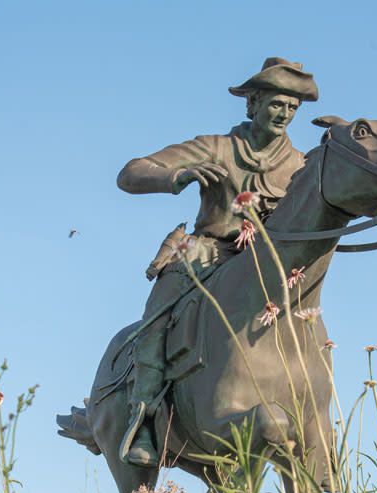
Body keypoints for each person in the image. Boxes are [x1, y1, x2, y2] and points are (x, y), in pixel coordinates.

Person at [115, 57, 319, 467]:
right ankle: (146, 420)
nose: (285, 114)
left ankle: (317, 435)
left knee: (311, 324)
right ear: (253, 104)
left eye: (293, 107)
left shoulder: (300, 165)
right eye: (277, 103)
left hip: (271, 267)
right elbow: (131, 172)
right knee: (158, 315)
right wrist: (179, 175)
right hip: (207, 253)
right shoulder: (217, 147)